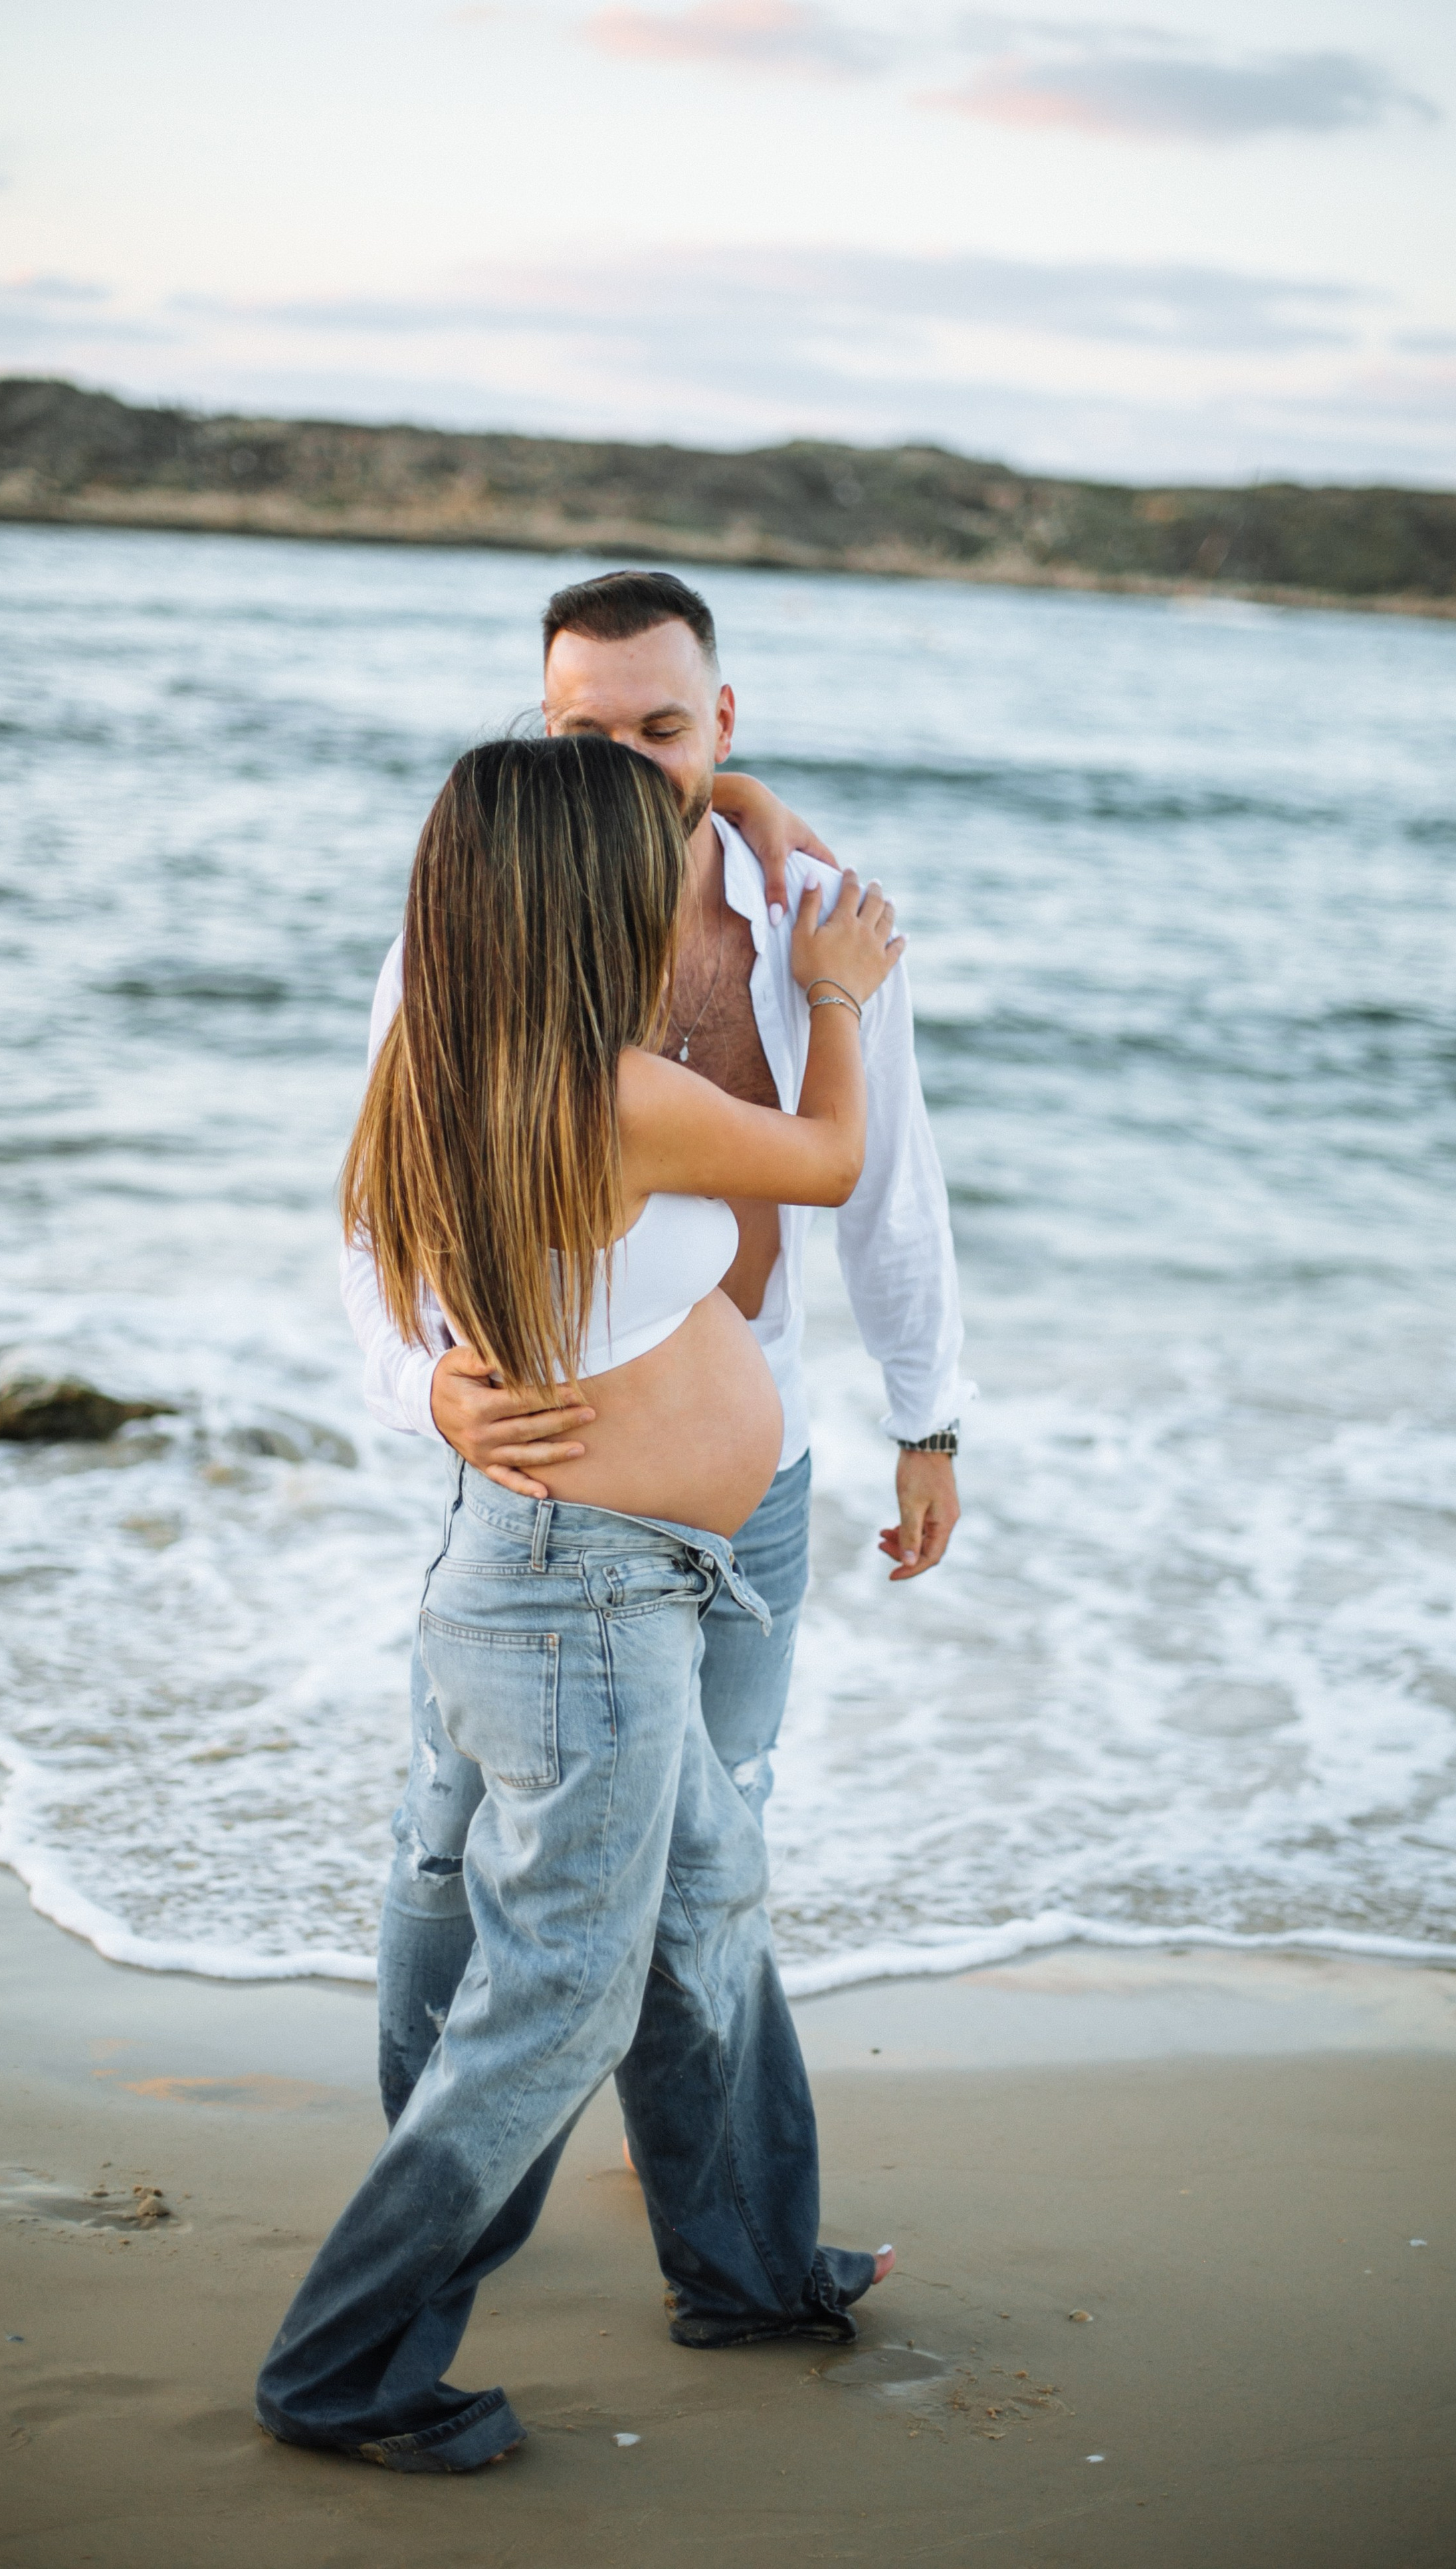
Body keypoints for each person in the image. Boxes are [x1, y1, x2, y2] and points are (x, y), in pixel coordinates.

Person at [257, 732, 904, 2471]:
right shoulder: (613, 1092)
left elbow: (402, 1302)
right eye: (647, 871)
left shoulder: (441, 1077)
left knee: (707, 1895)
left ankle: (754, 2269)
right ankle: (346, 2370)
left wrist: (758, 816)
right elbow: (833, 1158)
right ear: (578, 905)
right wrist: (832, 991)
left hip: (552, 1577)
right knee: (560, 2000)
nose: (674, 891)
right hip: (589, 1608)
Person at [350, 571, 966, 2129]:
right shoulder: (478, 939)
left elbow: (886, 1178)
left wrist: (927, 1418)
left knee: (720, 1827)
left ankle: (687, 2167)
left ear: (725, 721)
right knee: (449, 1822)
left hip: (751, 1456)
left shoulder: (818, 917)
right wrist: (421, 1385)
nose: (627, 764)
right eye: (585, 731)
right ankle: (430, 2139)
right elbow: (374, 1209)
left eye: (666, 730)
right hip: (550, 1460)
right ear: (540, 733)